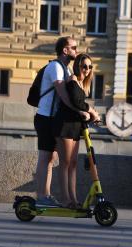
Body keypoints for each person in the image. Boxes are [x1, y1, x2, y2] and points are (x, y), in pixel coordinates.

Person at [34, 37, 90, 207]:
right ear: (65, 50)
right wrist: (80, 110)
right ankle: (42, 197)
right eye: (73, 47)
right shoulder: (55, 67)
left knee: (51, 158)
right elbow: (64, 96)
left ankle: (46, 195)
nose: (76, 50)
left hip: (53, 119)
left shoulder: (65, 69)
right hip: (45, 118)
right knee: (45, 158)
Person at [53, 53, 100, 208]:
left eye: (90, 67)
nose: (87, 69)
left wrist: (89, 114)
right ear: (78, 66)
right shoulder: (72, 80)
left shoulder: (81, 83)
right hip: (64, 125)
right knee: (65, 163)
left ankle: (73, 198)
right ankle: (65, 199)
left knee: (73, 163)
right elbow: (76, 102)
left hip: (75, 126)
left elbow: (79, 104)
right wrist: (91, 110)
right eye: (84, 66)